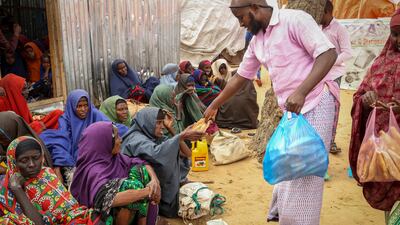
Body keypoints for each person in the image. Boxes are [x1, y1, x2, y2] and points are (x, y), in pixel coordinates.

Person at [204, 1, 339, 224]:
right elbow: (240, 77)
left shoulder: (294, 20)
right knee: (287, 166)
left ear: (255, 7)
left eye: (241, 18)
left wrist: (302, 91)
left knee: (305, 173)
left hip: (316, 102)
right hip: (293, 112)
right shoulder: (258, 41)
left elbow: (328, 54)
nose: (240, 25)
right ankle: (286, 217)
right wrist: (214, 105)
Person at [349, 9, 400, 219]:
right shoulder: (380, 63)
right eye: (395, 34)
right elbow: (359, 95)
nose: (399, 39)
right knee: (392, 201)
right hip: (386, 150)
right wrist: (366, 100)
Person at [71, 122, 160, 225]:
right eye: (117, 137)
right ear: (104, 142)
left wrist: (154, 181)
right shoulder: (94, 170)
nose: (121, 140)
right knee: (131, 186)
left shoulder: (115, 158)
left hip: (120, 212)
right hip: (102, 217)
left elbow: (140, 163)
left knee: (141, 171)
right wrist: (149, 192)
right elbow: (107, 199)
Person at [121, 107, 205, 218]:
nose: (162, 126)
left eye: (162, 122)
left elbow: (186, 154)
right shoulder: (135, 139)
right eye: (158, 123)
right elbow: (157, 153)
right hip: (140, 192)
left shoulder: (153, 137)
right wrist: (181, 136)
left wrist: (174, 132)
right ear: (147, 122)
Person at [0, 136, 103, 224]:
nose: (31, 164)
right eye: (24, 160)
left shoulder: (46, 174)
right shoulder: (7, 191)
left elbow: (70, 208)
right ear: (13, 162)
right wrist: (17, 189)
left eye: (36, 158)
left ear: (42, 157)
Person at [40, 89, 127, 186]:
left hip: (96, 152)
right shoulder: (66, 119)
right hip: (76, 153)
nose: (83, 109)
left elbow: (111, 126)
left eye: (86, 105)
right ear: (72, 106)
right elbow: (63, 138)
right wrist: (60, 163)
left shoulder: (94, 114)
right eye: (79, 106)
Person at [321, 0, 352, 154]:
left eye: (320, 13)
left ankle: (330, 140)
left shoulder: (340, 29)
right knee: (318, 108)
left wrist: (330, 62)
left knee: (333, 108)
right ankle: (320, 139)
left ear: (327, 12)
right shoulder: (316, 27)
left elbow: (347, 52)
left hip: (333, 75)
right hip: (317, 74)